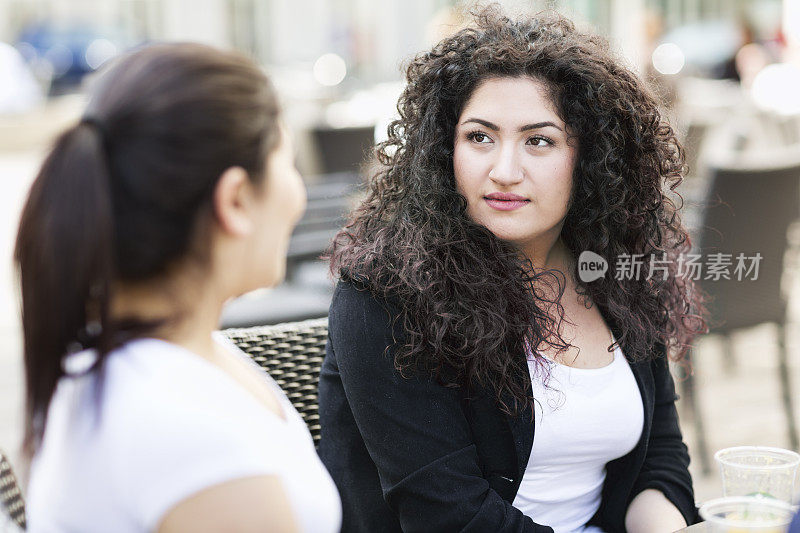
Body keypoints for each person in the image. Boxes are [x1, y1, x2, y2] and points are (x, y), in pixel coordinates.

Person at [319, 6, 706, 533]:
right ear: (444, 149)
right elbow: (447, 514)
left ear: (590, 157)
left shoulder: (615, 273)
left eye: (538, 140)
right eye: (479, 136)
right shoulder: (388, 293)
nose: (503, 171)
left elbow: (660, 454)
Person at [17, 43, 341, 533]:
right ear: (235, 199)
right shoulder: (189, 437)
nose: (297, 195)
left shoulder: (150, 360)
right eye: (287, 162)